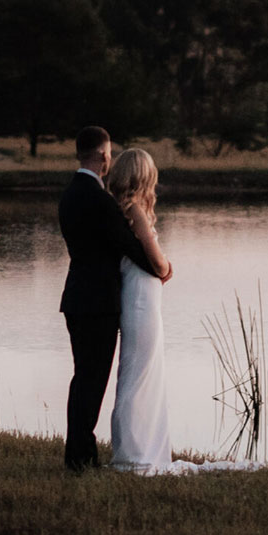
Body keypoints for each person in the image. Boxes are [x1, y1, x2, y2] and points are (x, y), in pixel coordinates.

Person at [57, 126, 168, 471]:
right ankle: (81, 457)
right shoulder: (99, 200)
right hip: (98, 305)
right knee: (92, 381)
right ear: (104, 155)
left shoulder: (69, 195)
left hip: (76, 298)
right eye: (109, 155)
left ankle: (79, 452)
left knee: (83, 379)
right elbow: (133, 249)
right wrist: (163, 269)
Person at [106, 147, 174, 473]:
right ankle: (131, 453)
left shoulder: (124, 208)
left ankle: (139, 447)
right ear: (143, 176)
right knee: (136, 372)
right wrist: (167, 267)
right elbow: (156, 258)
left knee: (141, 371)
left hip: (143, 296)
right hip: (140, 300)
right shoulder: (134, 209)